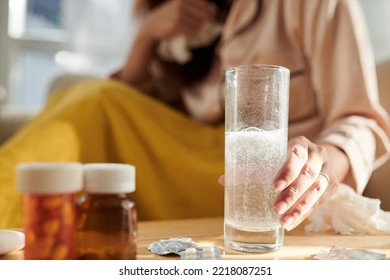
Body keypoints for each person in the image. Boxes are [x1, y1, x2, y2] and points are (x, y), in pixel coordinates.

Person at [0, 0, 389, 230]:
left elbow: (365, 123)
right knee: (91, 100)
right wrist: (147, 36)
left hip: (273, 187)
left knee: (93, 100)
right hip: (184, 175)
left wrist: (320, 166)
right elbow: (128, 114)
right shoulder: (177, 16)